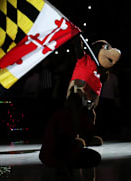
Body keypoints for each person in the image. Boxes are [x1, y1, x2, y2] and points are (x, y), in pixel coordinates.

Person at [39, 39, 121, 180]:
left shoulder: (101, 69)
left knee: (88, 117)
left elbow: (102, 78)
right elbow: (78, 51)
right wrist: (77, 41)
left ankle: (85, 138)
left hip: (90, 101)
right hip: (80, 94)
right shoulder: (86, 60)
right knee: (75, 119)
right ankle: (75, 141)